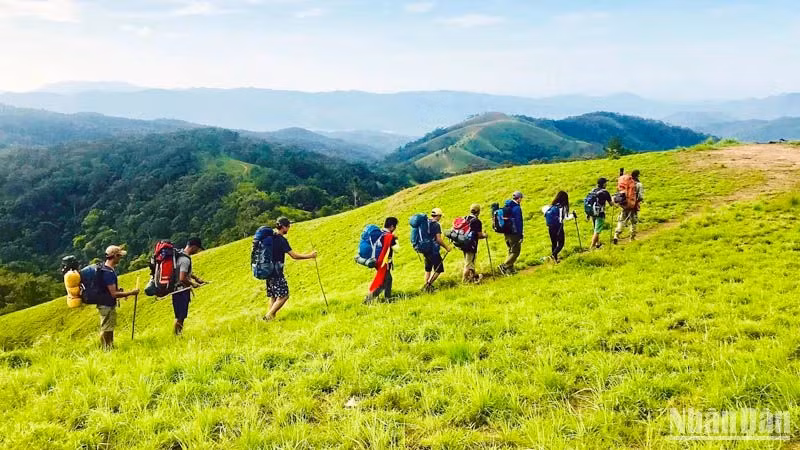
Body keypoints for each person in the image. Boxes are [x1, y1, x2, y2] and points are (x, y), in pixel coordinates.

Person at [263, 216, 317, 321]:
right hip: (277, 272)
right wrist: (310, 255)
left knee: (273, 296)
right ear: (283, 227)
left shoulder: (269, 238)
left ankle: (271, 318)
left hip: (268, 270)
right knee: (284, 296)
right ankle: (268, 317)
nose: (289, 228)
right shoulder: (281, 240)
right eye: (288, 226)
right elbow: (294, 256)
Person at [96, 245, 139, 349]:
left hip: (105, 303)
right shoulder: (108, 273)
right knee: (106, 328)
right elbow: (113, 294)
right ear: (114, 256)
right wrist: (131, 292)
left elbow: (111, 290)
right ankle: (106, 349)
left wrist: (120, 291)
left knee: (108, 327)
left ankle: (109, 347)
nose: (120, 258)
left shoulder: (106, 269)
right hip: (106, 304)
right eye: (119, 256)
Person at [172, 237, 205, 336]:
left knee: (180, 316)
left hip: (177, 290)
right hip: (181, 291)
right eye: (197, 249)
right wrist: (193, 284)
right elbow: (182, 278)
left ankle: (177, 335)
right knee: (180, 317)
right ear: (194, 247)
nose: (197, 251)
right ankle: (177, 336)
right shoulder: (185, 259)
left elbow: (184, 272)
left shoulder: (180, 255)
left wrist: (196, 278)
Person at [364, 217, 398, 304]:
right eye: (395, 227)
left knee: (387, 280)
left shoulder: (380, 233)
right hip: (384, 262)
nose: (395, 229)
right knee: (384, 282)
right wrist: (396, 239)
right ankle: (369, 299)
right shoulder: (390, 236)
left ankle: (387, 298)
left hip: (376, 260)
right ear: (392, 226)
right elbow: (397, 249)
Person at [423, 208, 452, 292]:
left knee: (428, 269)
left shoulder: (426, 222)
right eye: (440, 216)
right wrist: (446, 247)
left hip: (425, 249)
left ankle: (427, 287)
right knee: (439, 269)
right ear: (438, 216)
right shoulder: (436, 225)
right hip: (433, 250)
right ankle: (427, 285)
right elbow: (438, 239)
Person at [614, 169, 645, 244]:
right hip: (633, 206)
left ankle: (616, 235)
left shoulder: (626, 183)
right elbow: (640, 197)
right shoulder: (638, 184)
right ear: (638, 175)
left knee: (621, 220)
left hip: (624, 204)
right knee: (633, 222)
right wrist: (636, 201)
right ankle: (632, 238)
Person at [542, 191, 574, 263]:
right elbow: (566, 217)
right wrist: (573, 215)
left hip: (550, 227)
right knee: (561, 243)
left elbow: (543, 210)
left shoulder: (552, 206)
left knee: (554, 243)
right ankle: (553, 255)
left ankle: (555, 260)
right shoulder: (563, 207)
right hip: (558, 227)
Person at [498, 191, 524, 274]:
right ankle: (504, 266)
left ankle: (510, 270)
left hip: (507, 232)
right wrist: (520, 234)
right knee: (516, 251)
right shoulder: (516, 208)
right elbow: (518, 222)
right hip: (514, 232)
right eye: (521, 198)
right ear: (519, 198)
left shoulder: (507, 206)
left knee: (510, 250)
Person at [461, 204, 487, 283]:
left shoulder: (465, 218)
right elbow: (479, 235)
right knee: (468, 264)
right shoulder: (477, 221)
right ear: (478, 211)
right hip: (471, 245)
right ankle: (464, 281)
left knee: (470, 262)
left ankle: (472, 278)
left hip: (463, 243)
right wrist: (485, 235)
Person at [589, 178, 614, 249]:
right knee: (597, 230)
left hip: (592, 212)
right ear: (603, 184)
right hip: (600, 213)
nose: (607, 184)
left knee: (595, 228)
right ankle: (592, 247)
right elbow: (611, 203)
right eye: (606, 183)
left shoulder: (593, 190)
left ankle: (597, 244)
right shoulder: (605, 192)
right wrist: (615, 202)